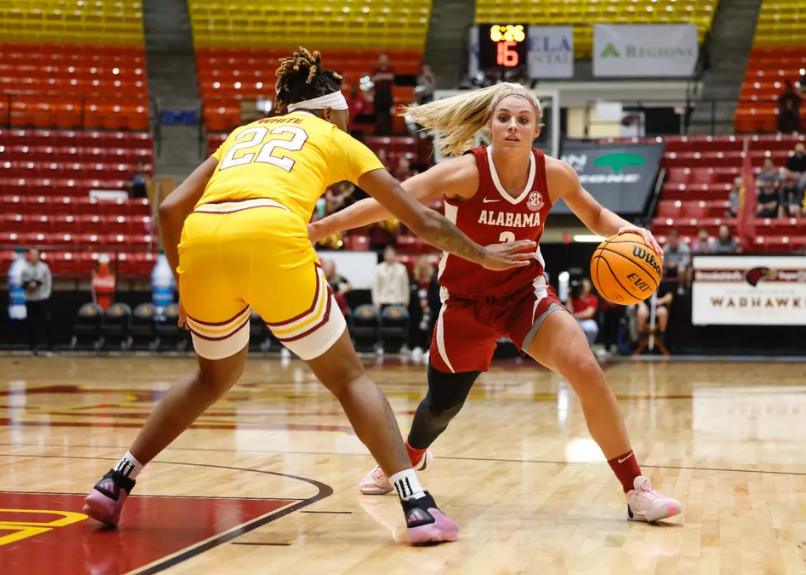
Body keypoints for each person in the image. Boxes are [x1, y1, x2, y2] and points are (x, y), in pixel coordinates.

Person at [81, 48, 536, 546]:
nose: (348, 119)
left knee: (211, 377)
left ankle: (116, 480)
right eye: (345, 113)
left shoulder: (243, 133)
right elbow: (423, 219)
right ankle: (416, 505)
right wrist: (484, 256)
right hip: (272, 233)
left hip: (203, 242)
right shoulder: (333, 137)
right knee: (347, 376)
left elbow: (169, 209)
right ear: (329, 111)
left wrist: (185, 283)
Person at [309, 82, 683, 523]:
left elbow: (597, 217)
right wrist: (318, 230)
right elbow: (389, 201)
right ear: (489, 125)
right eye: (504, 117)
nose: (512, 125)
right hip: (464, 304)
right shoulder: (464, 172)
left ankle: (636, 490)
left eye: (522, 120)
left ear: (536, 130)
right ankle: (411, 456)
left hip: (525, 296)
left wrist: (630, 232)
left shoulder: (555, 174)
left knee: (585, 368)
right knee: (440, 408)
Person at [20, 247, 52, 355]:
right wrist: (27, 285)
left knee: (46, 322)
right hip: (30, 300)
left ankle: (48, 346)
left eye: (35, 254)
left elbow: (45, 281)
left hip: (42, 298)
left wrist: (46, 294)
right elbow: (22, 282)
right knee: (31, 323)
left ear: (39, 256)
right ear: (28, 256)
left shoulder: (44, 268)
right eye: (31, 254)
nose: (33, 256)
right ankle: (33, 347)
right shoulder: (25, 269)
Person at [373, 246, 410, 310]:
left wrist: (406, 301)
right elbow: (376, 286)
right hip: (383, 300)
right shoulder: (379, 268)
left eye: (391, 253)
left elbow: (405, 286)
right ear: (384, 255)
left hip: (398, 300)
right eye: (388, 254)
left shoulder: (402, 268)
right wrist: (376, 301)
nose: (390, 256)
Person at [567, 278, 599, 347]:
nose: (584, 288)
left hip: (587, 321)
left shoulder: (592, 298)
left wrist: (574, 315)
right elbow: (568, 311)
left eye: (586, 286)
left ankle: (589, 346)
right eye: (582, 286)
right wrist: (570, 296)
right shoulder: (574, 297)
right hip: (575, 320)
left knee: (592, 328)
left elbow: (588, 313)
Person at [371, 53, 395, 135]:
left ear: (387, 61)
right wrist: (381, 77)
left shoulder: (390, 69)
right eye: (381, 59)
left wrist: (379, 77)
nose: (383, 61)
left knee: (388, 114)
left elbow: (391, 77)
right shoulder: (376, 70)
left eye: (385, 59)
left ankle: (389, 133)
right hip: (378, 94)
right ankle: (377, 132)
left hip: (387, 94)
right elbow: (373, 79)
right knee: (377, 113)